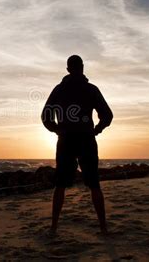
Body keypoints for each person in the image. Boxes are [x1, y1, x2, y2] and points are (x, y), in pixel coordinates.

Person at [41, 55, 113, 235]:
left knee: (60, 184)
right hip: (86, 140)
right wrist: (97, 129)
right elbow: (107, 115)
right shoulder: (91, 89)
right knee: (94, 184)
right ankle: (103, 227)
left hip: (65, 141)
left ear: (67, 69)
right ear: (82, 67)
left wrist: (57, 130)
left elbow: (45, 116)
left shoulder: (59, 90)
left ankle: (54, 227)